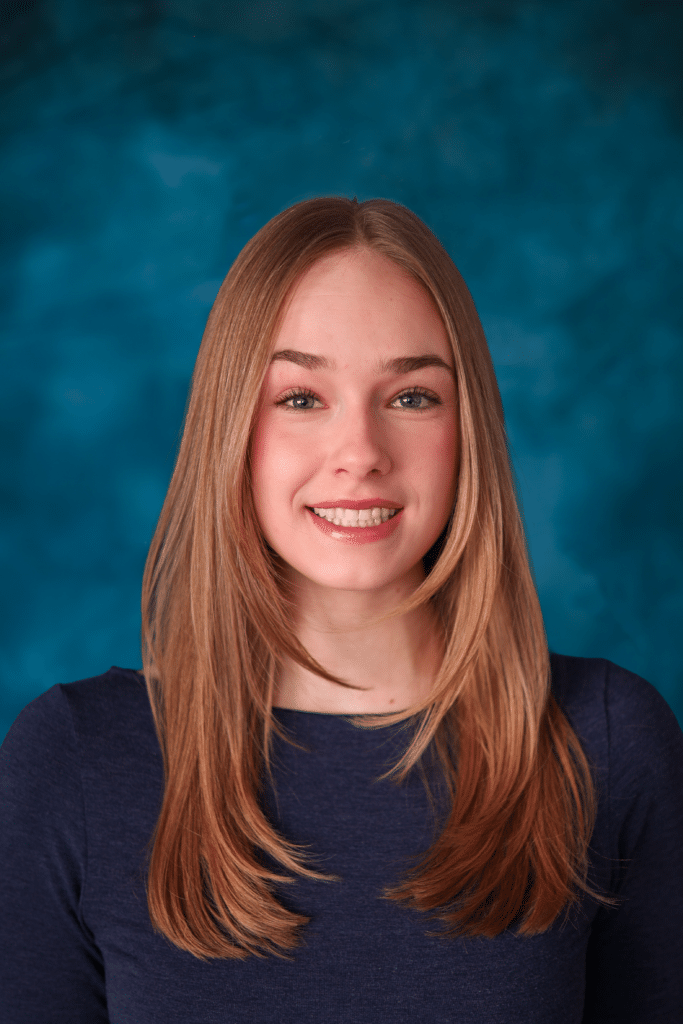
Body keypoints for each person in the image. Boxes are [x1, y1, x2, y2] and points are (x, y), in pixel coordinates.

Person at [1, 197, 682, 1023]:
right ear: (231, 430)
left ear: (466, 429)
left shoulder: (607, 739)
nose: (359, 452)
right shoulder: (73, 759)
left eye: (410, 397)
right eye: (300, 398)